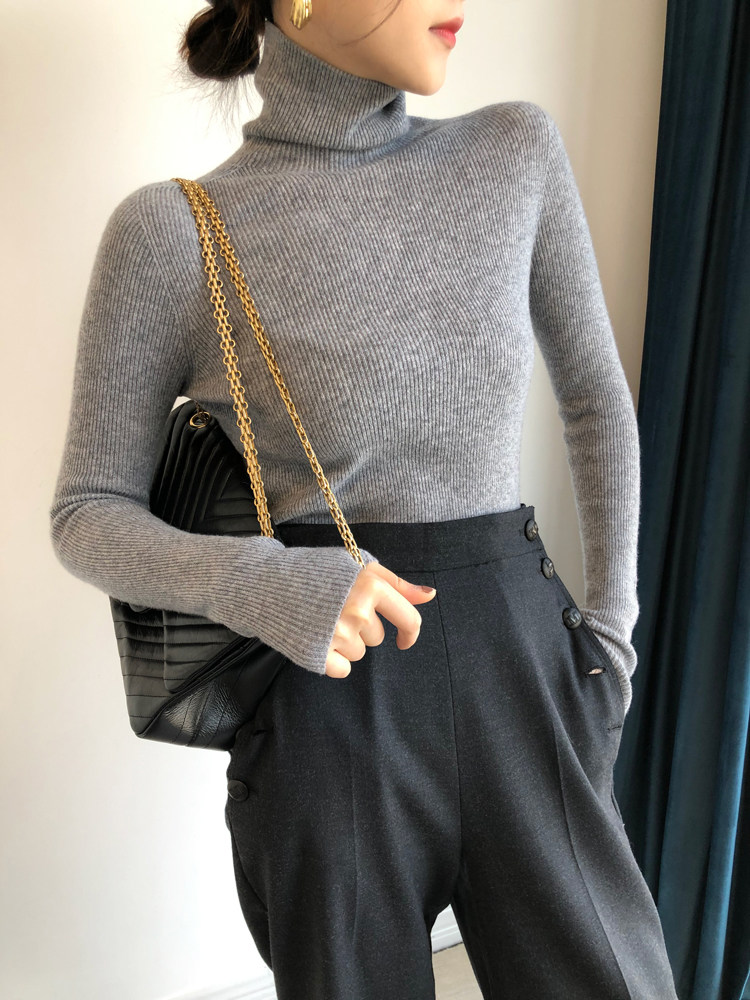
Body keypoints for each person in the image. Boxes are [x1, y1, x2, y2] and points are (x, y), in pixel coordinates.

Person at [48, 1, 680, 997]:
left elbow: (597, 403)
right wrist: (268, 582)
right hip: (323, 706)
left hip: (524, 672)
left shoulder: (514, 154)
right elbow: (87, 510)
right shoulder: (173, 231)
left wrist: (611, 640)